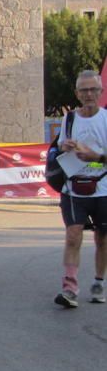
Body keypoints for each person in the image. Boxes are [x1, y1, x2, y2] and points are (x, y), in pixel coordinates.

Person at [53, 69, 107, 308]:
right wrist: (64, 146)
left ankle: (98, 282)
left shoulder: (106, 119)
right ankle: (70, 288)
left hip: (103, 188)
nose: (89, 94)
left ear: (101, 91)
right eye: (84, 90)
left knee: (102, 239)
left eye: (93, 89)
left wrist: (95, 156)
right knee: (73, 236)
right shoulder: (69, 119)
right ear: (76, 93)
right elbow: (59, 148)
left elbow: (97, 156)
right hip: (73, 187)